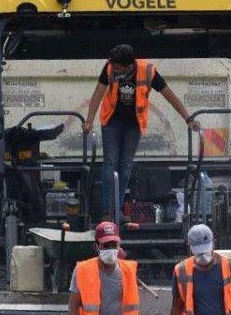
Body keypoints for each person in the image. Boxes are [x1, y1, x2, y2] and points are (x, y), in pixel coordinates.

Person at [83, 44, 199, 219]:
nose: (113, 69)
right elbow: (98, 92)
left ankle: (118, 209)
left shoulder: (148, 71)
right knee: (110, 163)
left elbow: (169, 95)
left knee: (125, 166)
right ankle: (108, 211)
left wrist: (187, 118)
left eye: (117, 67)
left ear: (128, 66)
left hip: (133, 125)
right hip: (111, 122)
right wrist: (89, 119)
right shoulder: (109, 68)